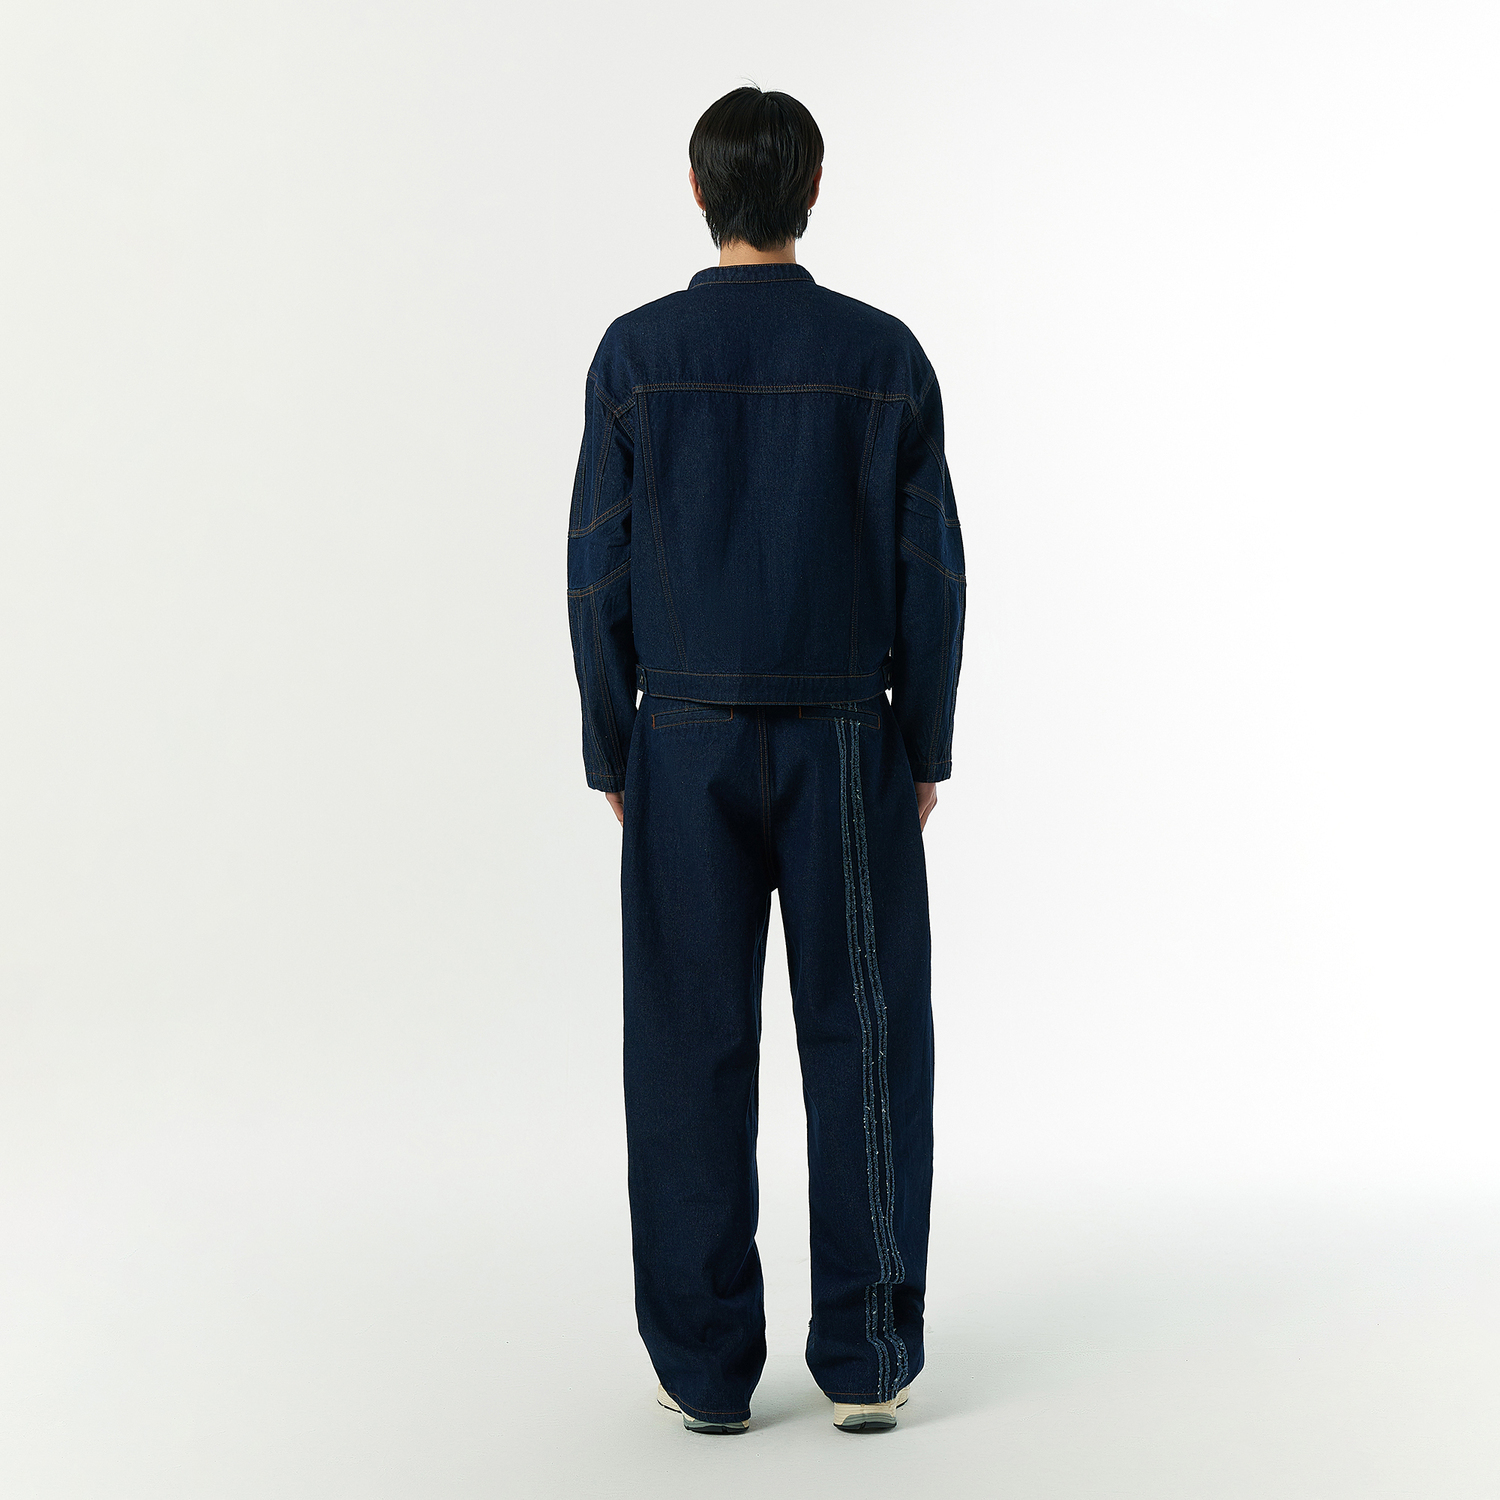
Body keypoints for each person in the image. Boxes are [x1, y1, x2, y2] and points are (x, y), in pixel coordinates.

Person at [565, 86, 965, 1435]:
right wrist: (923, 741)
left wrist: (614, 745)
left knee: (687, 1048)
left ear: (698, 190)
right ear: (813, 189)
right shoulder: (882, 356)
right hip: (848, 735)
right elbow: (932, 570)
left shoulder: (635, 356)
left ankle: (705, 1374)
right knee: (866, 1040)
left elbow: (596, 568)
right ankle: (867, 1360)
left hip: (682, 739)